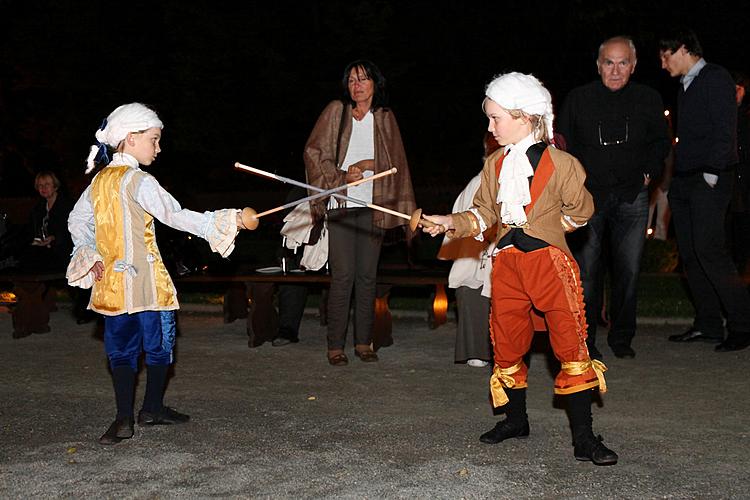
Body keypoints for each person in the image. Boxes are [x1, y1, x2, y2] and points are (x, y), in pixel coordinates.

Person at [422, 72, 617, 465]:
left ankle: (584, 437)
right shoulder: (494, 165)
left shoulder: (563, 164)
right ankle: (515, 420)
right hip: (507, 265)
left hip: (549, 265)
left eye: (496, 118)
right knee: (507, 343)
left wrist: (545, 231)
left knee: (569, 344)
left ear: (524, 117)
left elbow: (582, 211)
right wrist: (448, 221)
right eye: (490, 118)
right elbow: (482, 215)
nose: (490, 126)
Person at [67, 103, 249, 445]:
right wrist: (227, 221)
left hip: (114, 287)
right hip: (148, 285)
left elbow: (77, 221)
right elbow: (175, 215)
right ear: (131, 138)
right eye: (154, 139)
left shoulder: (99, 182)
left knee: (121, 349)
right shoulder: (138, 180)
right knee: (159, 345)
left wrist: (88, 251)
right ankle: (150, 407)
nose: (158, 147)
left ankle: (124, 418)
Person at [557, 36, 671, 360]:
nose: (616, 70)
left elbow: (661, 142)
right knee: (588, 271)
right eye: (609, 62)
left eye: (623, 63)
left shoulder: (648, 98)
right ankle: (587, 340)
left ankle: (622, 337)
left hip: (632, 196)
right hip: (587, 200)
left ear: (633, 66)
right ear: (598, 65)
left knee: (629, 270)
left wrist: (649, 172)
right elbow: (562, 144)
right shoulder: (579, 98)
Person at [304, 59, 416, 366]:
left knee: (367, 277)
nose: (357, 85)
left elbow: (397, 163)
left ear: (375, 84)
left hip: (373, 208)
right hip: (342, 205)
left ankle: (364, 342)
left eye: (363, 79)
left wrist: (367, 165)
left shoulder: (385, 118)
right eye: (352, 80)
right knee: (342, 277)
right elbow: (314, 153)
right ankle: (335, 346)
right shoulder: (335, 112)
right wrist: (341, 176)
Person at [659, 28, 750, 352]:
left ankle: (741, 324)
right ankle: (709, 324)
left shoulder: (715, 76)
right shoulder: (687, 84)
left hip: (708, 179)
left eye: (665, 55)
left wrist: (712, 174)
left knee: (710, 251)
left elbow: (726, 127)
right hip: (686, 181)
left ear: (683, 48)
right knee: (691, 255)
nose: (662, 63)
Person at [437, 133, 499, 367]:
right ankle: (476, 350)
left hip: (506, 253)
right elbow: (464, 218)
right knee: (470, 278)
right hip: (477, 252)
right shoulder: (478, 182)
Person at [728, 71, 750, 279]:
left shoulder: (745, 116)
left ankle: (742, 263)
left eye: (738, 89)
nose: (735, 94)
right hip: (730, 180)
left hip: (743, 180)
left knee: (742, 222)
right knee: (733, 223)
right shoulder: (726, 115)